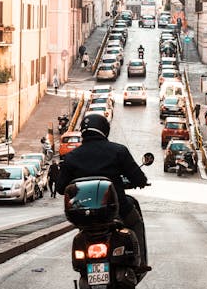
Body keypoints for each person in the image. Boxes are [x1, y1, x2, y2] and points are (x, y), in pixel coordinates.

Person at [56, 113, 151, 270]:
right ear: (104, 130)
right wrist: (139, 182)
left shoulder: (71, 157)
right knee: (135, 223)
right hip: (117, 208)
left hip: (83, 213)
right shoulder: (118, 151)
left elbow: (60, 188)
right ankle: (140, 263)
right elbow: (139, 178)